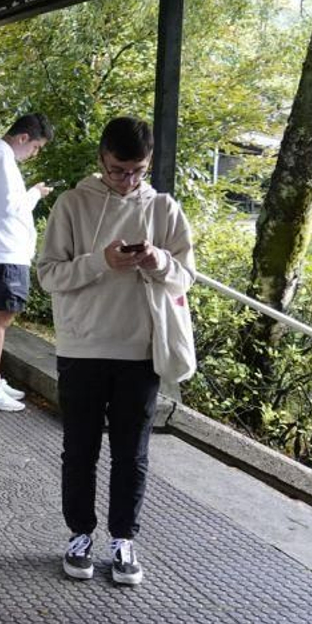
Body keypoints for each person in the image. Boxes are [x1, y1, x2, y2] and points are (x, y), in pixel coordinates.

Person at [36, 116, 194, 588]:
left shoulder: (163, 209)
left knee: (132, 453)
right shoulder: (73, 204)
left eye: (137, 171)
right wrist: (100, 262)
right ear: (101, 159)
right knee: (79, 450)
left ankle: (123, 538)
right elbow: (48, 275)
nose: (126, 181)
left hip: (141, 349)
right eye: (117, 170)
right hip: (82, 346)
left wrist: (158, 260)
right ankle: (80, 535)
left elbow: (185, 277)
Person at [0, 113, 55, 411]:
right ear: (23, 138)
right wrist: (35, 194)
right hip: (4, 253)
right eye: (35, 147)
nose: (34, 154)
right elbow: (10, 206)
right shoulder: (0, 157)